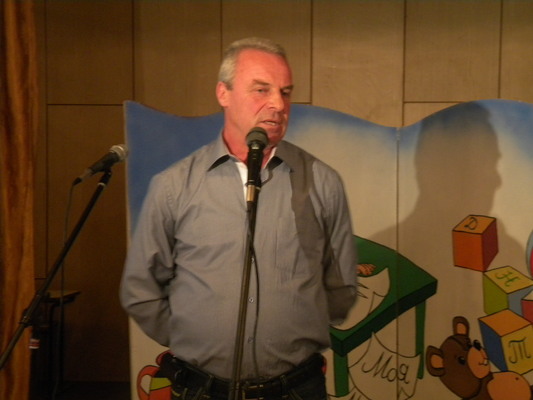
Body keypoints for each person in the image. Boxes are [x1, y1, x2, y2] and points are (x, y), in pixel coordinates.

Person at [120, 37, 358, 400]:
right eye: (261, 90)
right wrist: (192, 340)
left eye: (285, 92)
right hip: (202, 388)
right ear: (224, 93)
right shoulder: (173, 186)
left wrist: (297, 331)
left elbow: (340, 286)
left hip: (297, 388)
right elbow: (141, 289)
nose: (278, 104)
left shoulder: (322, 182)